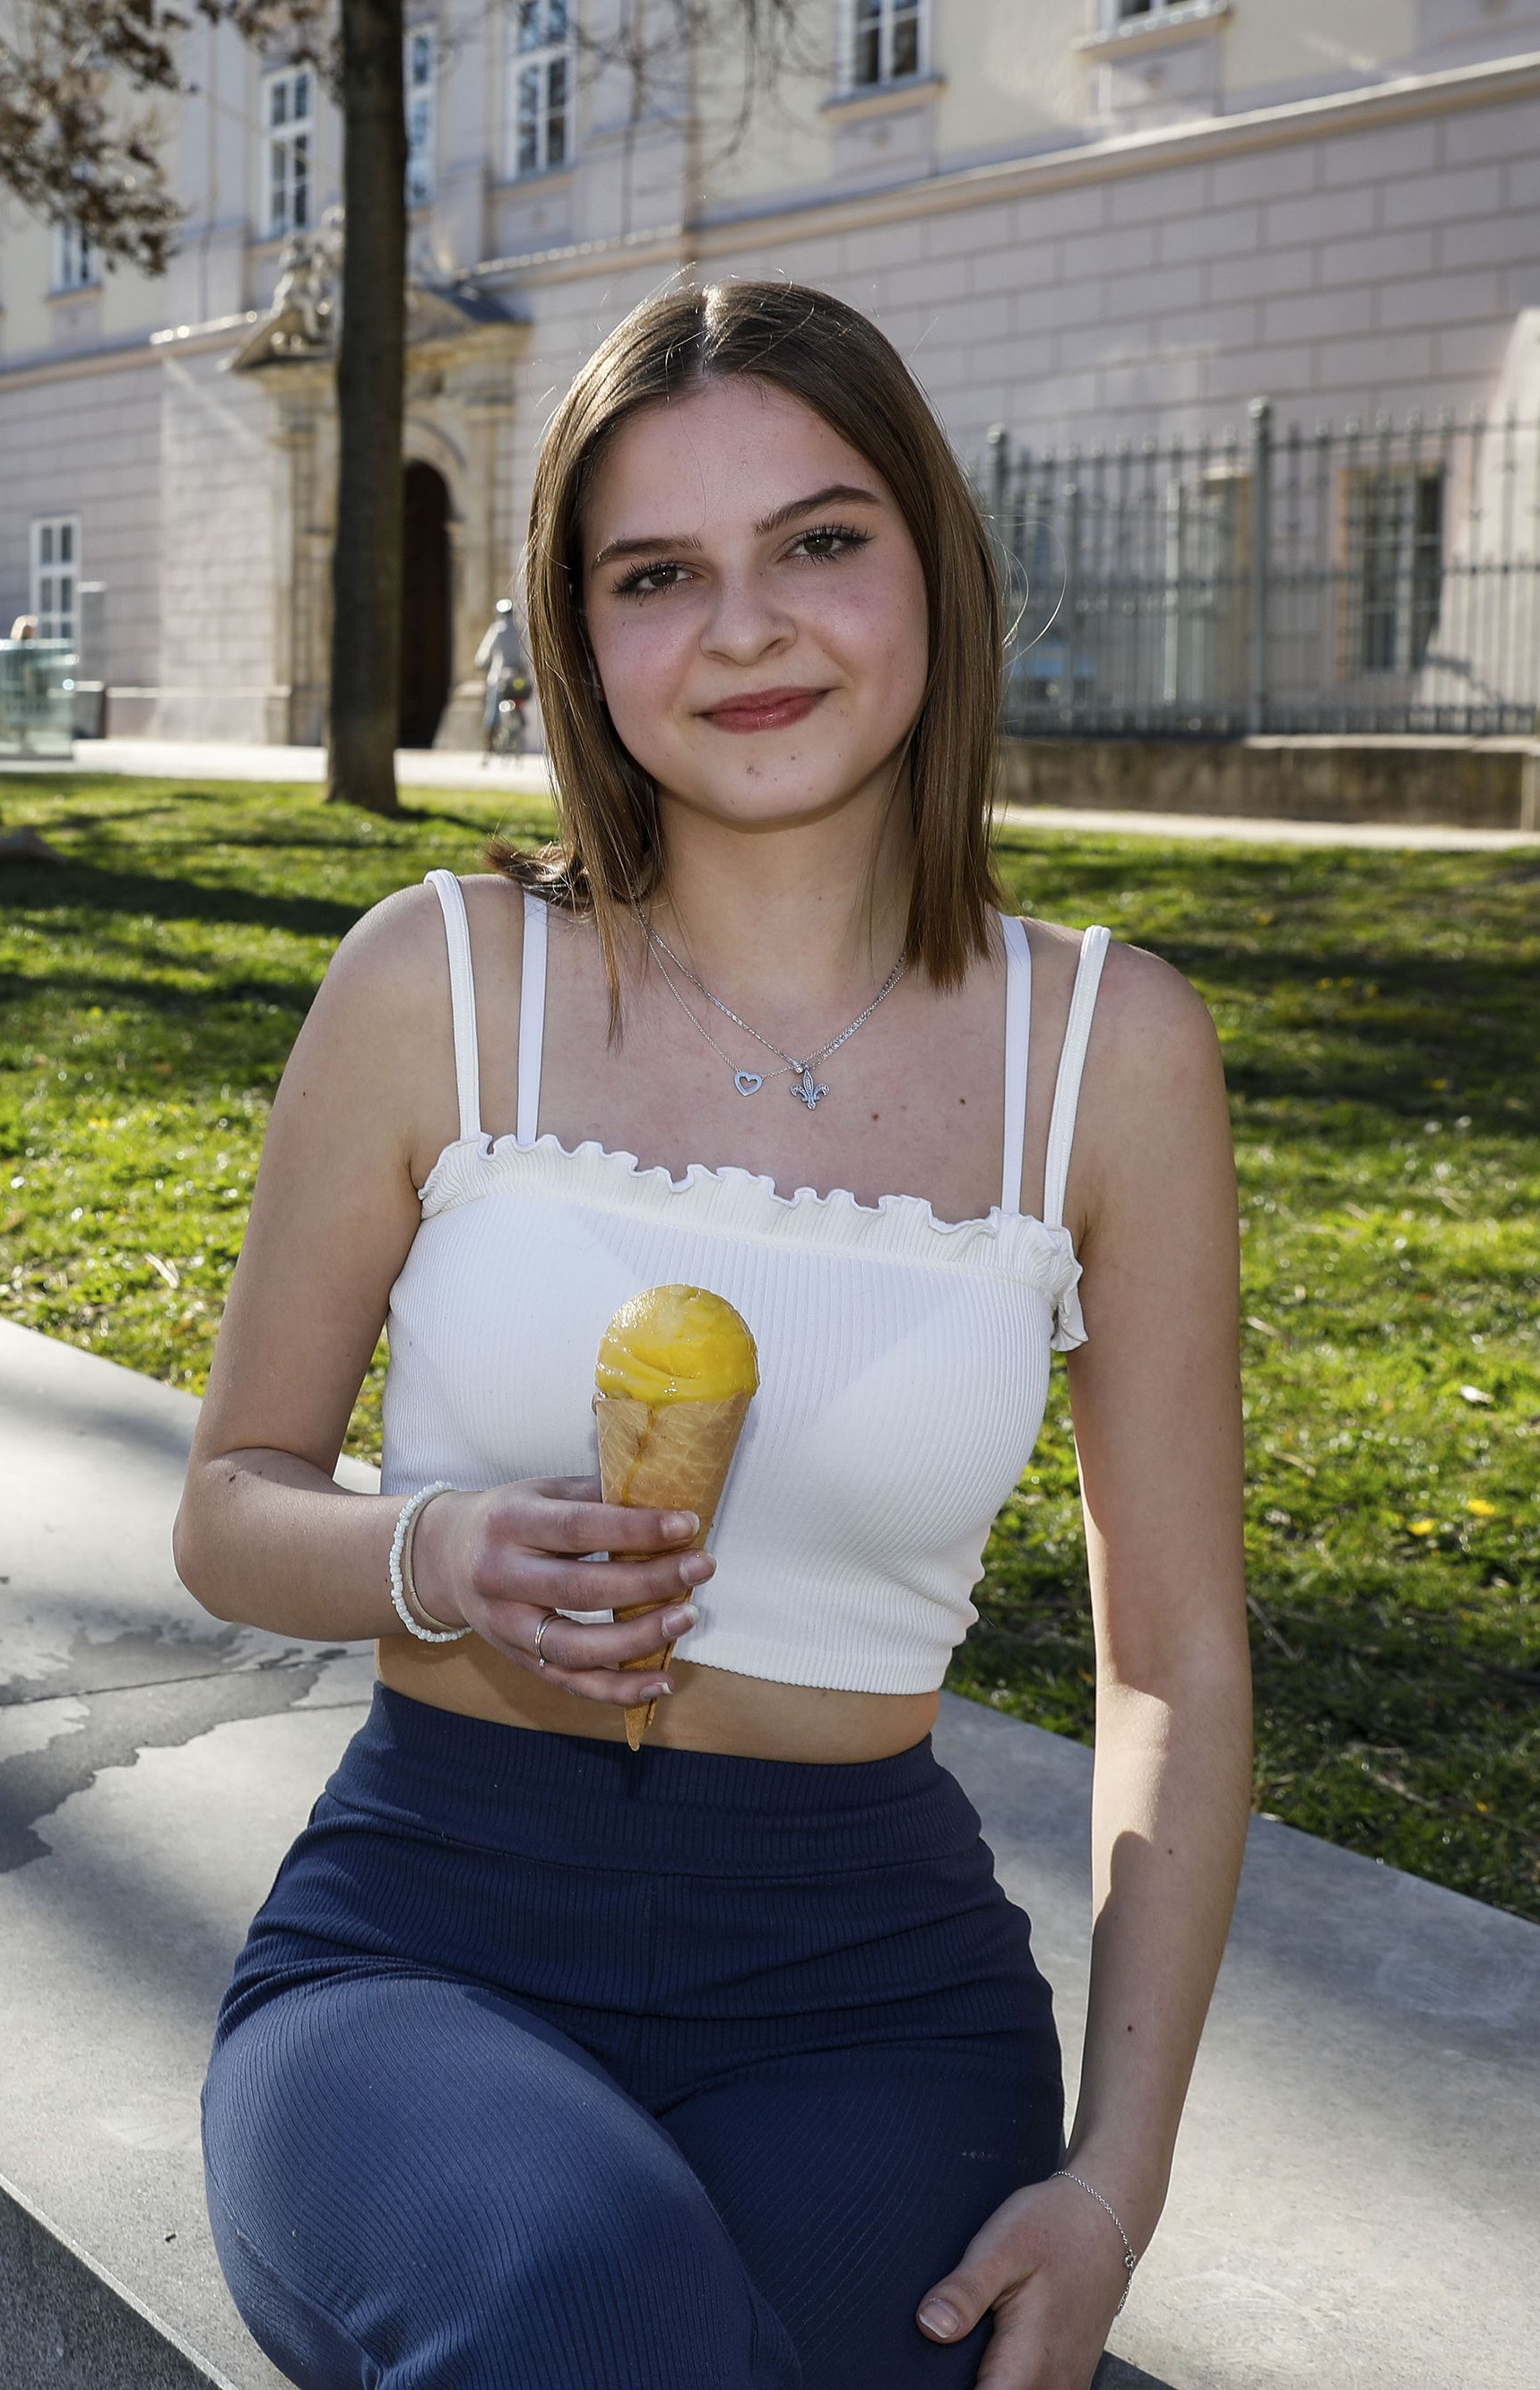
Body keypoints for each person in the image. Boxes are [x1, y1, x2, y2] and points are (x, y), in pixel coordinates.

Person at [177, 282, 1248, 2390]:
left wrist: (1112, 2175)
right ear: (578, 640)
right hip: (426, 1934)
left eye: (818, 542)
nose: (744, 629)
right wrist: (440, 1549)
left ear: (931, 562)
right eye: (657, 574)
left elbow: (1173, 1659)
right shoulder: (434, 979)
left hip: (876, 1984)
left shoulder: (1102, 1052)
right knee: (585, 2312)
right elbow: (229, 1506)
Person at [476, 593, 533, 757]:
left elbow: (484, 653)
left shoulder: (497, 630)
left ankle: (487, 747)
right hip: (518, 678)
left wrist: (480, 663)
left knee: (493, 710)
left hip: (500, 677)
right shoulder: (520, 629)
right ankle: (519, 723)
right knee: (519, 699)